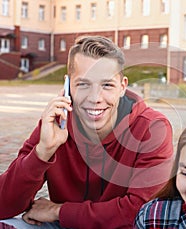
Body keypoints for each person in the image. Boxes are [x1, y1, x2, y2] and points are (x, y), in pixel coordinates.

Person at [0, 36, 173, 228]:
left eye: (107, 85)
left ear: (122, 86)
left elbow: (142, 212)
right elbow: (3, 205)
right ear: (67, 86)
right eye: (83, 84)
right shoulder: (55, 125)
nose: (95, 98)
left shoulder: (152, 128)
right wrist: (42, 152)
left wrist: (58, 211)